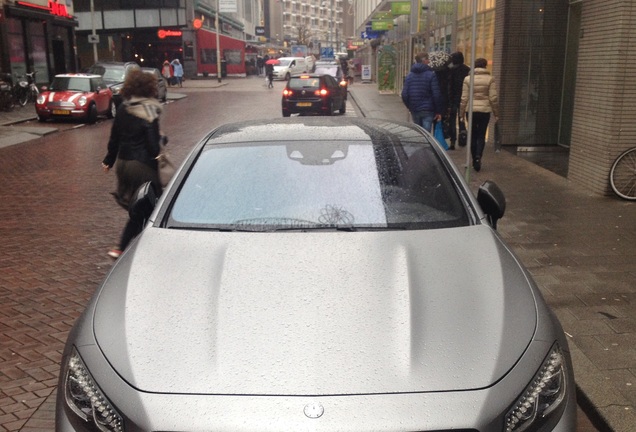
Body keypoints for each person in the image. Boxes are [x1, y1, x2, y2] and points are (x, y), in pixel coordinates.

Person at [102, 69, 164, 259]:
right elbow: (153, 147)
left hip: (123, 164)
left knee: (138, 205)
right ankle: (125, 247)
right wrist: (162, 145)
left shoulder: (123, 108)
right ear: (149, 88)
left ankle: (132, 245)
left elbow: (114, 139)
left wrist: (108, 161)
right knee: (155, 205)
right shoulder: (149, 110)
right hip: (142, 166)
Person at [459, 58, 500, 172]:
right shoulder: (490, 79)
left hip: (470, 111)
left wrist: (461, 113)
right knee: (481, 135)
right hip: (485, 111)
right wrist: (496, 113)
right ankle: (478, 157)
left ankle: (473, 159)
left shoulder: (467, 79)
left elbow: (464, 98)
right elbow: (493, 98)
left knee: (472, 135)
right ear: (485, 66)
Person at [401, 52, 444, 133]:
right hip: (428, 110)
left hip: (415, 109)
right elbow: (436, 95)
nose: (429, 62)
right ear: (424, 61)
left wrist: (410, 106)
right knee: (426, 134)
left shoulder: (409, 76)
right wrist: (438, 110)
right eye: (428, 60)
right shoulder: (431, 75)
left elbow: (404, 94)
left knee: (418, 133)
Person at [448, 52, 470, 149]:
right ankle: (463, 138)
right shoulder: (467, 70)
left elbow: (449, 86)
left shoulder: (451, 70)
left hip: (453, 98)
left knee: (452, 119)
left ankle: (453, 141)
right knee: (462, 118)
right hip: (464, 97)